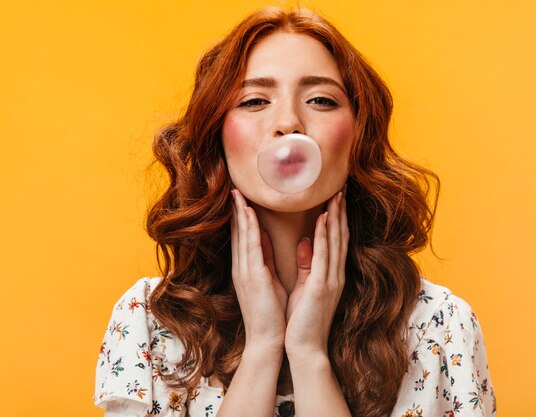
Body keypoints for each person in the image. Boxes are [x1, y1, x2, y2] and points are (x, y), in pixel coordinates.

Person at [94, 6, 496, 417]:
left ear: (358, 136)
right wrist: (263, 345)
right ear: (217, 135)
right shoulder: (150, 320)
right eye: (253, 101)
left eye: (321, 100)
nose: (288, 123)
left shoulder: (439, 325)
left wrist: (308, 354)